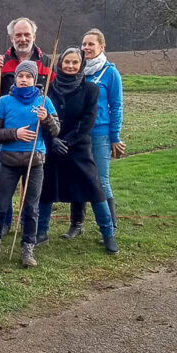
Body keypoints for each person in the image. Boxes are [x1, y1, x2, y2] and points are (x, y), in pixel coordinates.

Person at [36, 48, 119, 254]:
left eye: (75, 62)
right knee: (46, 189)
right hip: (52, 147)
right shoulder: (48, 88)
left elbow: (87, 121)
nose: (70, 66)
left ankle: (108, 234)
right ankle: (41, 232)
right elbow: (42, 117)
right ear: (60, 63)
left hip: (79, 147)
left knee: (94, 188)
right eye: (67, 62)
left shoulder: (91, 90)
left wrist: (67, 141)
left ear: (81, 65)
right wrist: (53, 140)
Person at [0, 17, 55, 235]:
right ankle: (4, 224)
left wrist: (50, 120)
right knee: (5, 186)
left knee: (33, 188)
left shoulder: (46, 62)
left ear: (34, 37)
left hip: (36, 134)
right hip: (7, 136)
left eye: (26, 35)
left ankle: (29, 227)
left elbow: (55, 94)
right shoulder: (2, 62)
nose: (22, 39)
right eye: (18, 35)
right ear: (11, 38)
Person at [0, 61, 60, 267]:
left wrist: (47, 119)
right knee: (1, 204)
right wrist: (15, 133)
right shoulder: (4, 102)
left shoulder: (44, 102)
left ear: (35, 79)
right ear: (15, 78)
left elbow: (56, 131)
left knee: (32, 207)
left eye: (28, 76)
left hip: (35, 161)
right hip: (8, 161)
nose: (24, 80)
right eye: (20, 76)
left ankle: (28, 247)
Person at [68, 28, 125, 236]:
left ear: (102, 46)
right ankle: (76, 224)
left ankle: (110, 228)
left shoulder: (110, 73)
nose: (86, 48)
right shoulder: (78, 70)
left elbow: (117, 106)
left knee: (101, 179)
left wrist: (115, 136)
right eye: (84, 44)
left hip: (100, 133)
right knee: (77, 176)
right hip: (78, 133)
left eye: (91, 44)